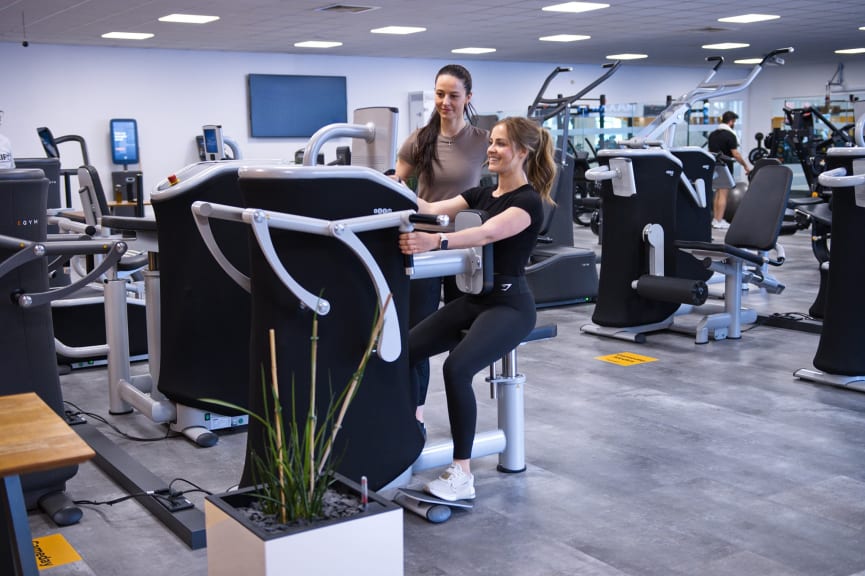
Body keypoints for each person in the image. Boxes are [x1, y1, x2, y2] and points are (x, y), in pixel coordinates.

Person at [398, 116, 556, 501]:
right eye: (492, 142)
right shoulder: (481, 193)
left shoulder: (527, 202)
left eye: (501, 143)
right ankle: (403, 434)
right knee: (406, 351)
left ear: (523, 152)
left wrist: (436, 242)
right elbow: (430, 207)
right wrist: (389, 187)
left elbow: (486, 234)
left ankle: (462, 474)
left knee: (457, 368)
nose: (492, 149)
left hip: (510, 306)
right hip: (474, 300)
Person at [394, 64, 489, 434]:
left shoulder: (482, 141)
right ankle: (414, 414)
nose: (445, 102)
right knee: (417, 333)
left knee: (461, 336)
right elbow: (396, 183)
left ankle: (459, 414)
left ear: (468, 97)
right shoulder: (420, 140)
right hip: (425, 246)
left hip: (465, 247)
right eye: (439, 94)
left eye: (453, 95)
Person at [708, 110, 750, 229]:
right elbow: (735, 154)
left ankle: (715, 219)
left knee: (718, 193)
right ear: (731, 122)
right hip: (724, 167)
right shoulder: (730, 135)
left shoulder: (713, 134)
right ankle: (719, 220)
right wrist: (745, 165)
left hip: (714, 166)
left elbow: (710, 151)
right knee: (723, 193)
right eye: (734, 122)